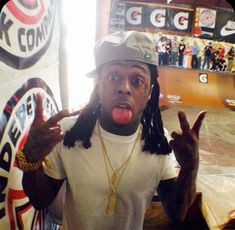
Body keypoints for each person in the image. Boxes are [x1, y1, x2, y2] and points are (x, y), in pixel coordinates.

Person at [16, 31, 206, 230]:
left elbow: (177, 213)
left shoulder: (158, 141)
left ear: (150, 92)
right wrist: (32, 159)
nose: (124, 88)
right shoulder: (68, 134)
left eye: (137, 81)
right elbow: (40, 200)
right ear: (99, 85)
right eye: (114, 76)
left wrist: (190, 168)